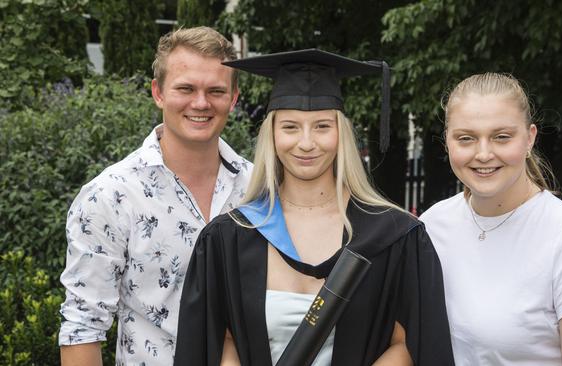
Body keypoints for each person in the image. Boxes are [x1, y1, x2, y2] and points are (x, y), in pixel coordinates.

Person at [173, 49, 455, 365]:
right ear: (272, 135)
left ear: (341, 134)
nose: (306, 143)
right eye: (290, 127)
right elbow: (217, 339)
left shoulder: (395, 237)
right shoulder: (230, 238)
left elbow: (411, 343)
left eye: (322, 126)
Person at [58, 26, 252, 366]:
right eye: (186, 88)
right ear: (158, 93)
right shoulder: (111, 195)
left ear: (233, 98)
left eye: (216, 90)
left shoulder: (259, 188)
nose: (201, 103)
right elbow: (82, 329)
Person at [419, 72, 562, 365]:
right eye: (466, 138)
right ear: (447, 142)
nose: (483, 153)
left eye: (501, 137)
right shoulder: (433, 225)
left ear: (530, 138)